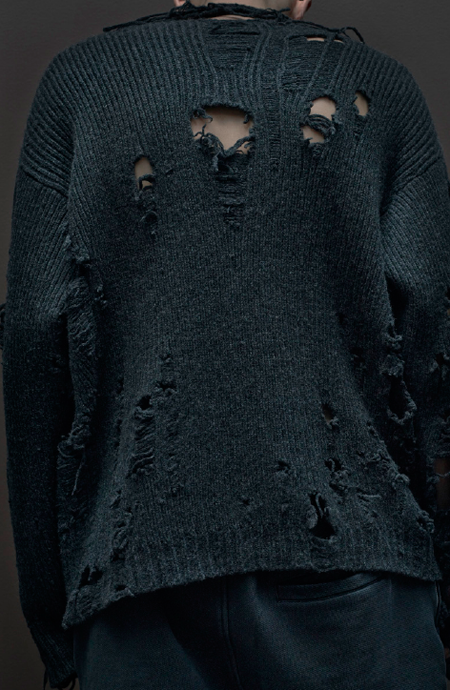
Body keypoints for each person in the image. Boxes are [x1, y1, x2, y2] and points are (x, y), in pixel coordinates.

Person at [3, 1, 450, 688]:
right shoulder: (381, 92)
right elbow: (435, 354)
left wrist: (55, 620)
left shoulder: (82, 86)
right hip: (359, 590)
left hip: (136, 585)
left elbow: (35, 353)